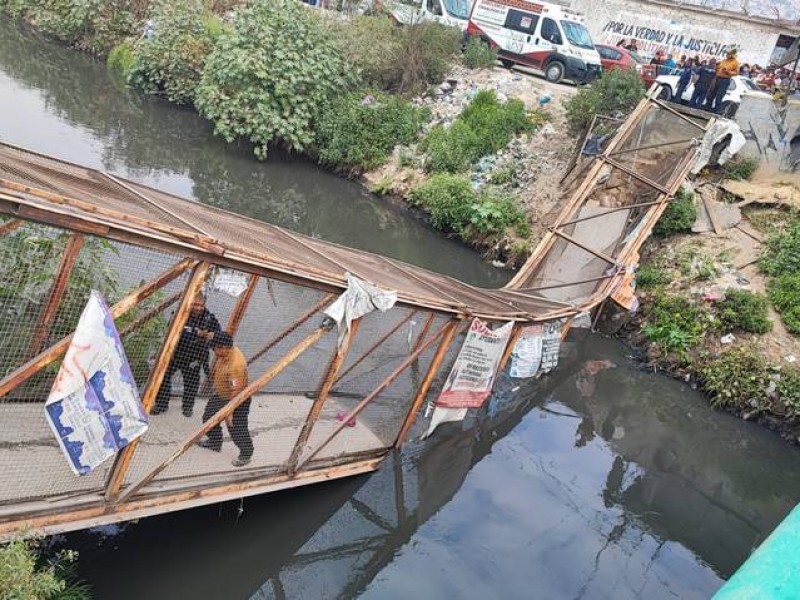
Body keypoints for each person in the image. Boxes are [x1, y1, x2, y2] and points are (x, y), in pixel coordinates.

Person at [153, 293, 221, 417]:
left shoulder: (208, 318)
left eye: (200, 305)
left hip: (194, 356)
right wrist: (196, 332)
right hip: (175, 354)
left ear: (204, 304)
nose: (198, 308)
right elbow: (175, 330)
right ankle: (161, 405)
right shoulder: (180, 313)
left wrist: (207, 334)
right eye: (195, 304)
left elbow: (217, 333)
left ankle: (188, 407)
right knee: (163, 378)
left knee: (192, 383)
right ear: (189, 303)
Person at [198, 332, 254, 467]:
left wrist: (229, 411)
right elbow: (212, 335)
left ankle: (246, 453)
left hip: (237, 399)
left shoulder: (236, 365)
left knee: (236, 428)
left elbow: (236, 390)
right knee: (208, 419)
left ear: (223, 348)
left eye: (215, 349)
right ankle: (215, 442)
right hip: (221, 394)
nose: (213, 351)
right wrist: (205, 333)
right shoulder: (225, 351)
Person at [710, 48, 740, 113]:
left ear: (732, 55)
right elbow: (718, 69)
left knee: (719, 96)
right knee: (712, 94)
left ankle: (717, 111)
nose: (727, 55)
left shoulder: (735, 62)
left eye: (728, 54)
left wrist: (728, 72)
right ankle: (708, 108)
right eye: (727, 54)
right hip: (718, 79)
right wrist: (716, 67)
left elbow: (737, 72)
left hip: (725, 80)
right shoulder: (724, 61)